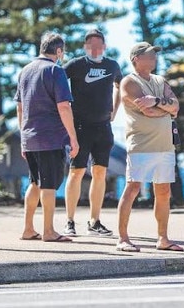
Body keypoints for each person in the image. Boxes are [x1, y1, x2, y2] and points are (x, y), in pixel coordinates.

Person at [116, 42, 183, 252]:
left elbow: (176, 107)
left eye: (155, 54)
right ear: (136, 58)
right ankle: (123, 238)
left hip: (165, 145)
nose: (154, 58)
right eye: (149, 55)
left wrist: (156, 101)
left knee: (163, 192)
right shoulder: (129, 82)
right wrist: (165, 108)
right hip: (141, 145)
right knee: (133, 188)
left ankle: (163, 238)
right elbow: (148, 111)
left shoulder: (159, 81)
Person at [16, 32, 79, 243]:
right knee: (49, 185)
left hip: (30, 136)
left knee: (35, 183)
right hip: (50, 137)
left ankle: (27, 228)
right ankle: (49, 231)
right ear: (58, 51)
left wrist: (23, 136)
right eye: (63, 51)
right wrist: (73, 137)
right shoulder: (55, 70)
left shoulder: (25, 71)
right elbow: (64, 106)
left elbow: (20, 107)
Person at [62, 29, 123, 237]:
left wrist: (114, 111)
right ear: (85, 47)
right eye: (91, 46)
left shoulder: (112, 65)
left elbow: (120, 86)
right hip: (80, 127)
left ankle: (94, 221)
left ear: (104, 47)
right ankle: (69, 221)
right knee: (76, 172)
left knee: (100, 173)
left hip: (103, 127)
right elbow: (57, 85)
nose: (95, 50)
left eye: (99, 46)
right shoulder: (76, 65)